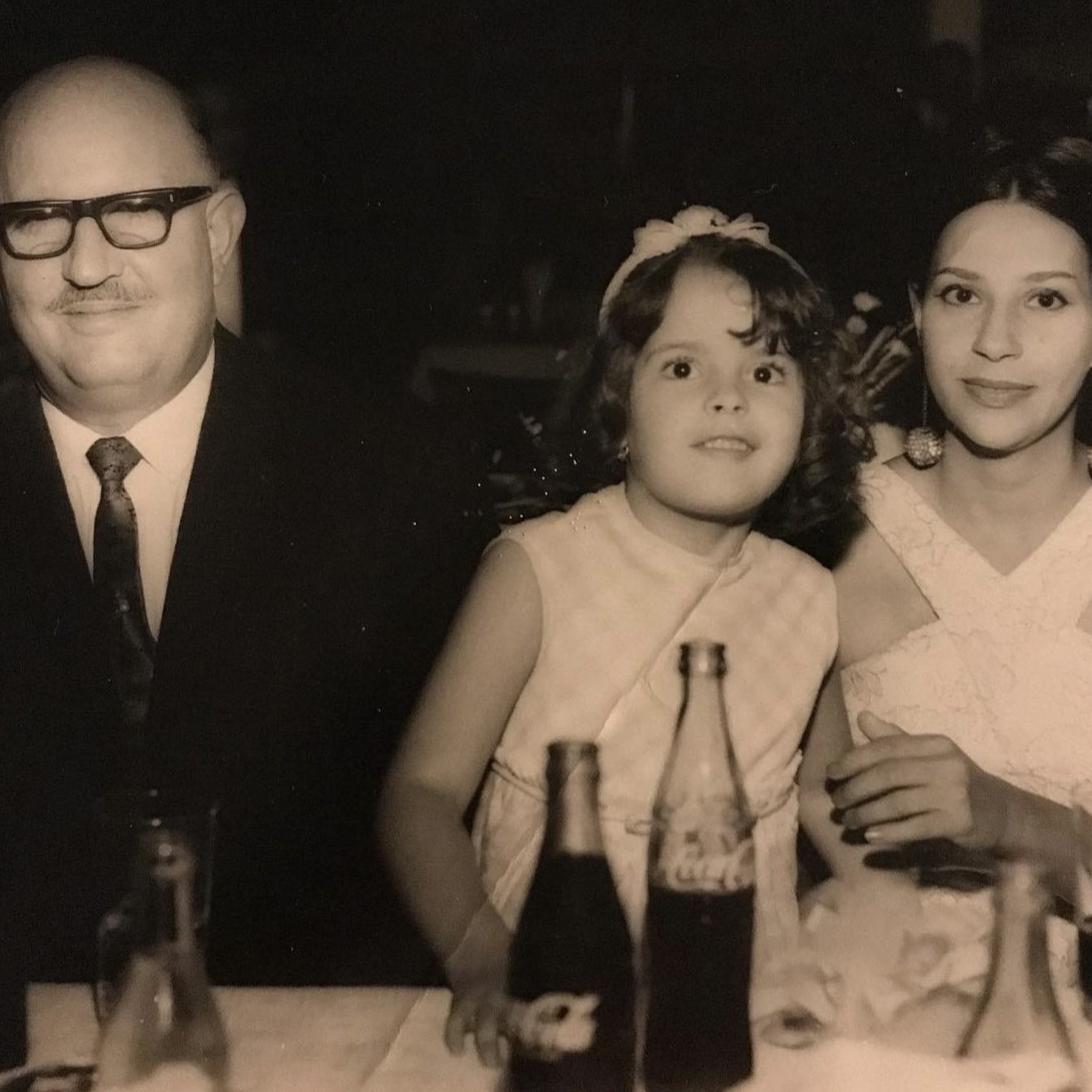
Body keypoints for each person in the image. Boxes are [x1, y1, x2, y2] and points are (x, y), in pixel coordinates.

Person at [0, 56, 477, 1065]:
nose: (85, 264)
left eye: (135, 211)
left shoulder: (397, 479)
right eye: (37, 219)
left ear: (218, 230)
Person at [378, 205, 870, 1065]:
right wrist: (482, 957)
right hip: (549, 981)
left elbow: (823, 797)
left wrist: (887, 905)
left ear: (810, 415)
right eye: (683, 366)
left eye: (766, 370)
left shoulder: (811, 594)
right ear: (617, 411)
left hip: (737, 992)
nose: (729, 395)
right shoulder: (537, 570)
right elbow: (419, 795)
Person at [799, 134, 1092, 975]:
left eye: (1046, 300)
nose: (995, 341)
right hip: (873, 988)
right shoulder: (826, 530)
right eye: (962, 294)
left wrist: (1005, 818)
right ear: (920, 313)